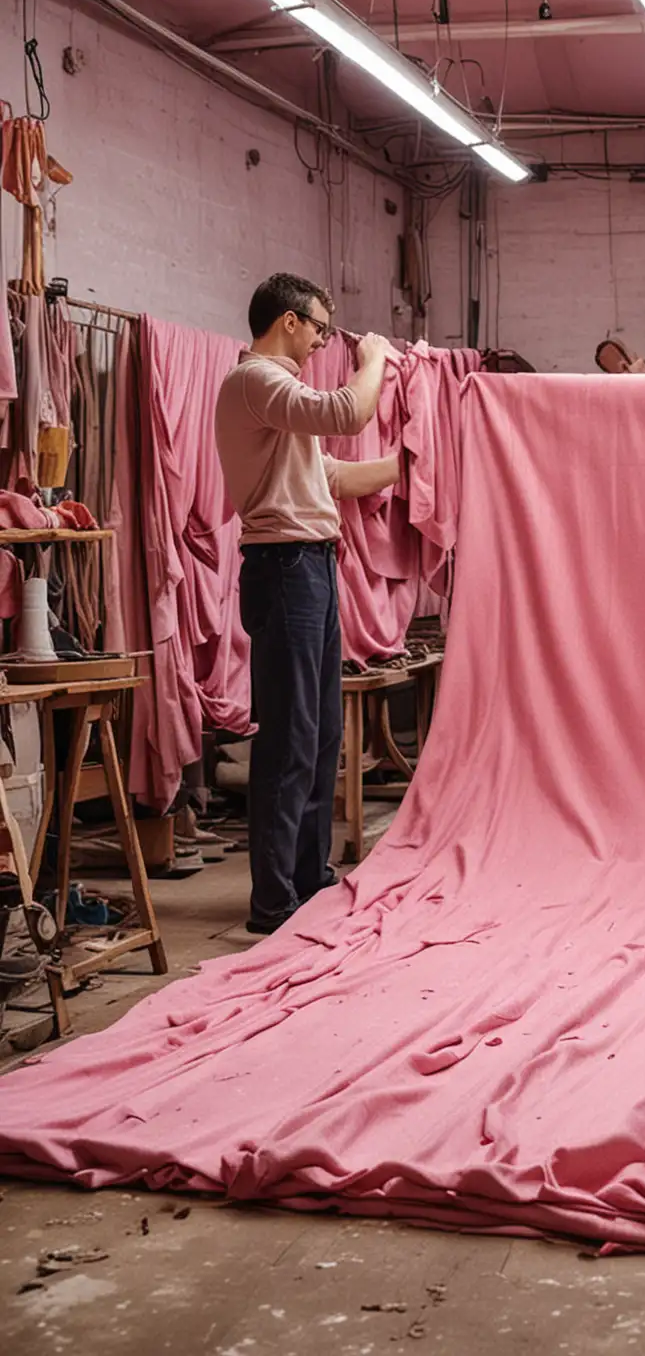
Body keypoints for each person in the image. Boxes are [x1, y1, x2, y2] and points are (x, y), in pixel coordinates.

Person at [214, 273, 398, 934]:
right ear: (289, 321)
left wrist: (417, 459)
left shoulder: (277, 401)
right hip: (286, 569)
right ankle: (274, 903)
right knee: (291, 737)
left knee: (319, 735)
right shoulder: (258, 381)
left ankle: (308, 878)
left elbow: (333, 478)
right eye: (319, 327)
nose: (323, 339)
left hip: (310, 566)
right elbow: (347, 413)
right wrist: (372, 361)